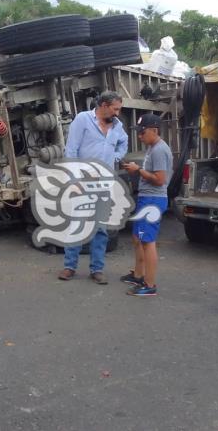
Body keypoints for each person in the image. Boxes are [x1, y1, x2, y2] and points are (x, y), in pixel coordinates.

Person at [58, 91, 128, 284]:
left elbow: (124, 143)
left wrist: (115, 157)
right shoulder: (83, 119)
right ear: (104, 105)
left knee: (101, 229)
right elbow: (71, 149)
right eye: (115, 109)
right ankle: (69, 266)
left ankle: (97, 269)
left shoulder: (117, 126)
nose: (118, 113)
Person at [121, 113, 172, 297]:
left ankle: (149, 285)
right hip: (146, 198)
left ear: (154, 131)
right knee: (137, 237)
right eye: (139, 132)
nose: (140, 136)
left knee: (147, 241)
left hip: (153, 199)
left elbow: (160, 180)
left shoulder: (159, 150)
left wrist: (138, 170)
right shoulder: (152, 147)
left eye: (142, 132)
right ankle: (138, 274)